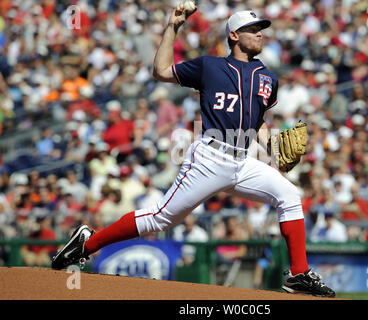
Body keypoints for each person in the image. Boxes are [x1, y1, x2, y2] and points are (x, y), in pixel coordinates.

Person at [51, 6, 335, 297]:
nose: (260, 33)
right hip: (210, 157)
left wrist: (273, 147)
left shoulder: (267, 78)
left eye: (261, 28)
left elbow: (256, 118)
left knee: (289, 195)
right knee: (161, 218)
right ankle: (87, 244)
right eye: (252, 29)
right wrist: (172, 28)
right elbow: (161, 72)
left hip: (243, 160)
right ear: (234, 35)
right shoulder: (209, 66)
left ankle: (298, 274)